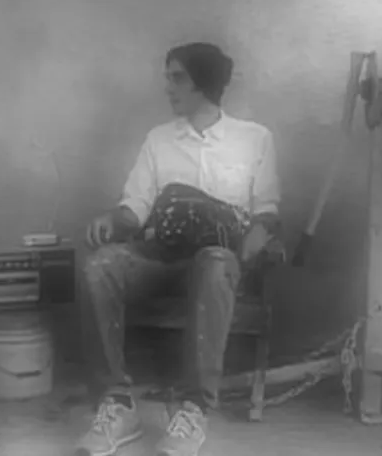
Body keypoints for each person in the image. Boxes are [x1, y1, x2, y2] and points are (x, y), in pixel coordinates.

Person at [75, 43, 281, 456]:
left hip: (218, 261)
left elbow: (267, 210)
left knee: (215, 261)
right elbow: (135, 207)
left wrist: (257, 239)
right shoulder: (159, 139)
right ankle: (116, 404)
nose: (168, 87)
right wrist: (113, 220)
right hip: (159, 257)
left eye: (177, 78)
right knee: (99, 266)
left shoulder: (254, 138)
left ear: (204, 82)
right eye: (168, 77)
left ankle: (193, 410)